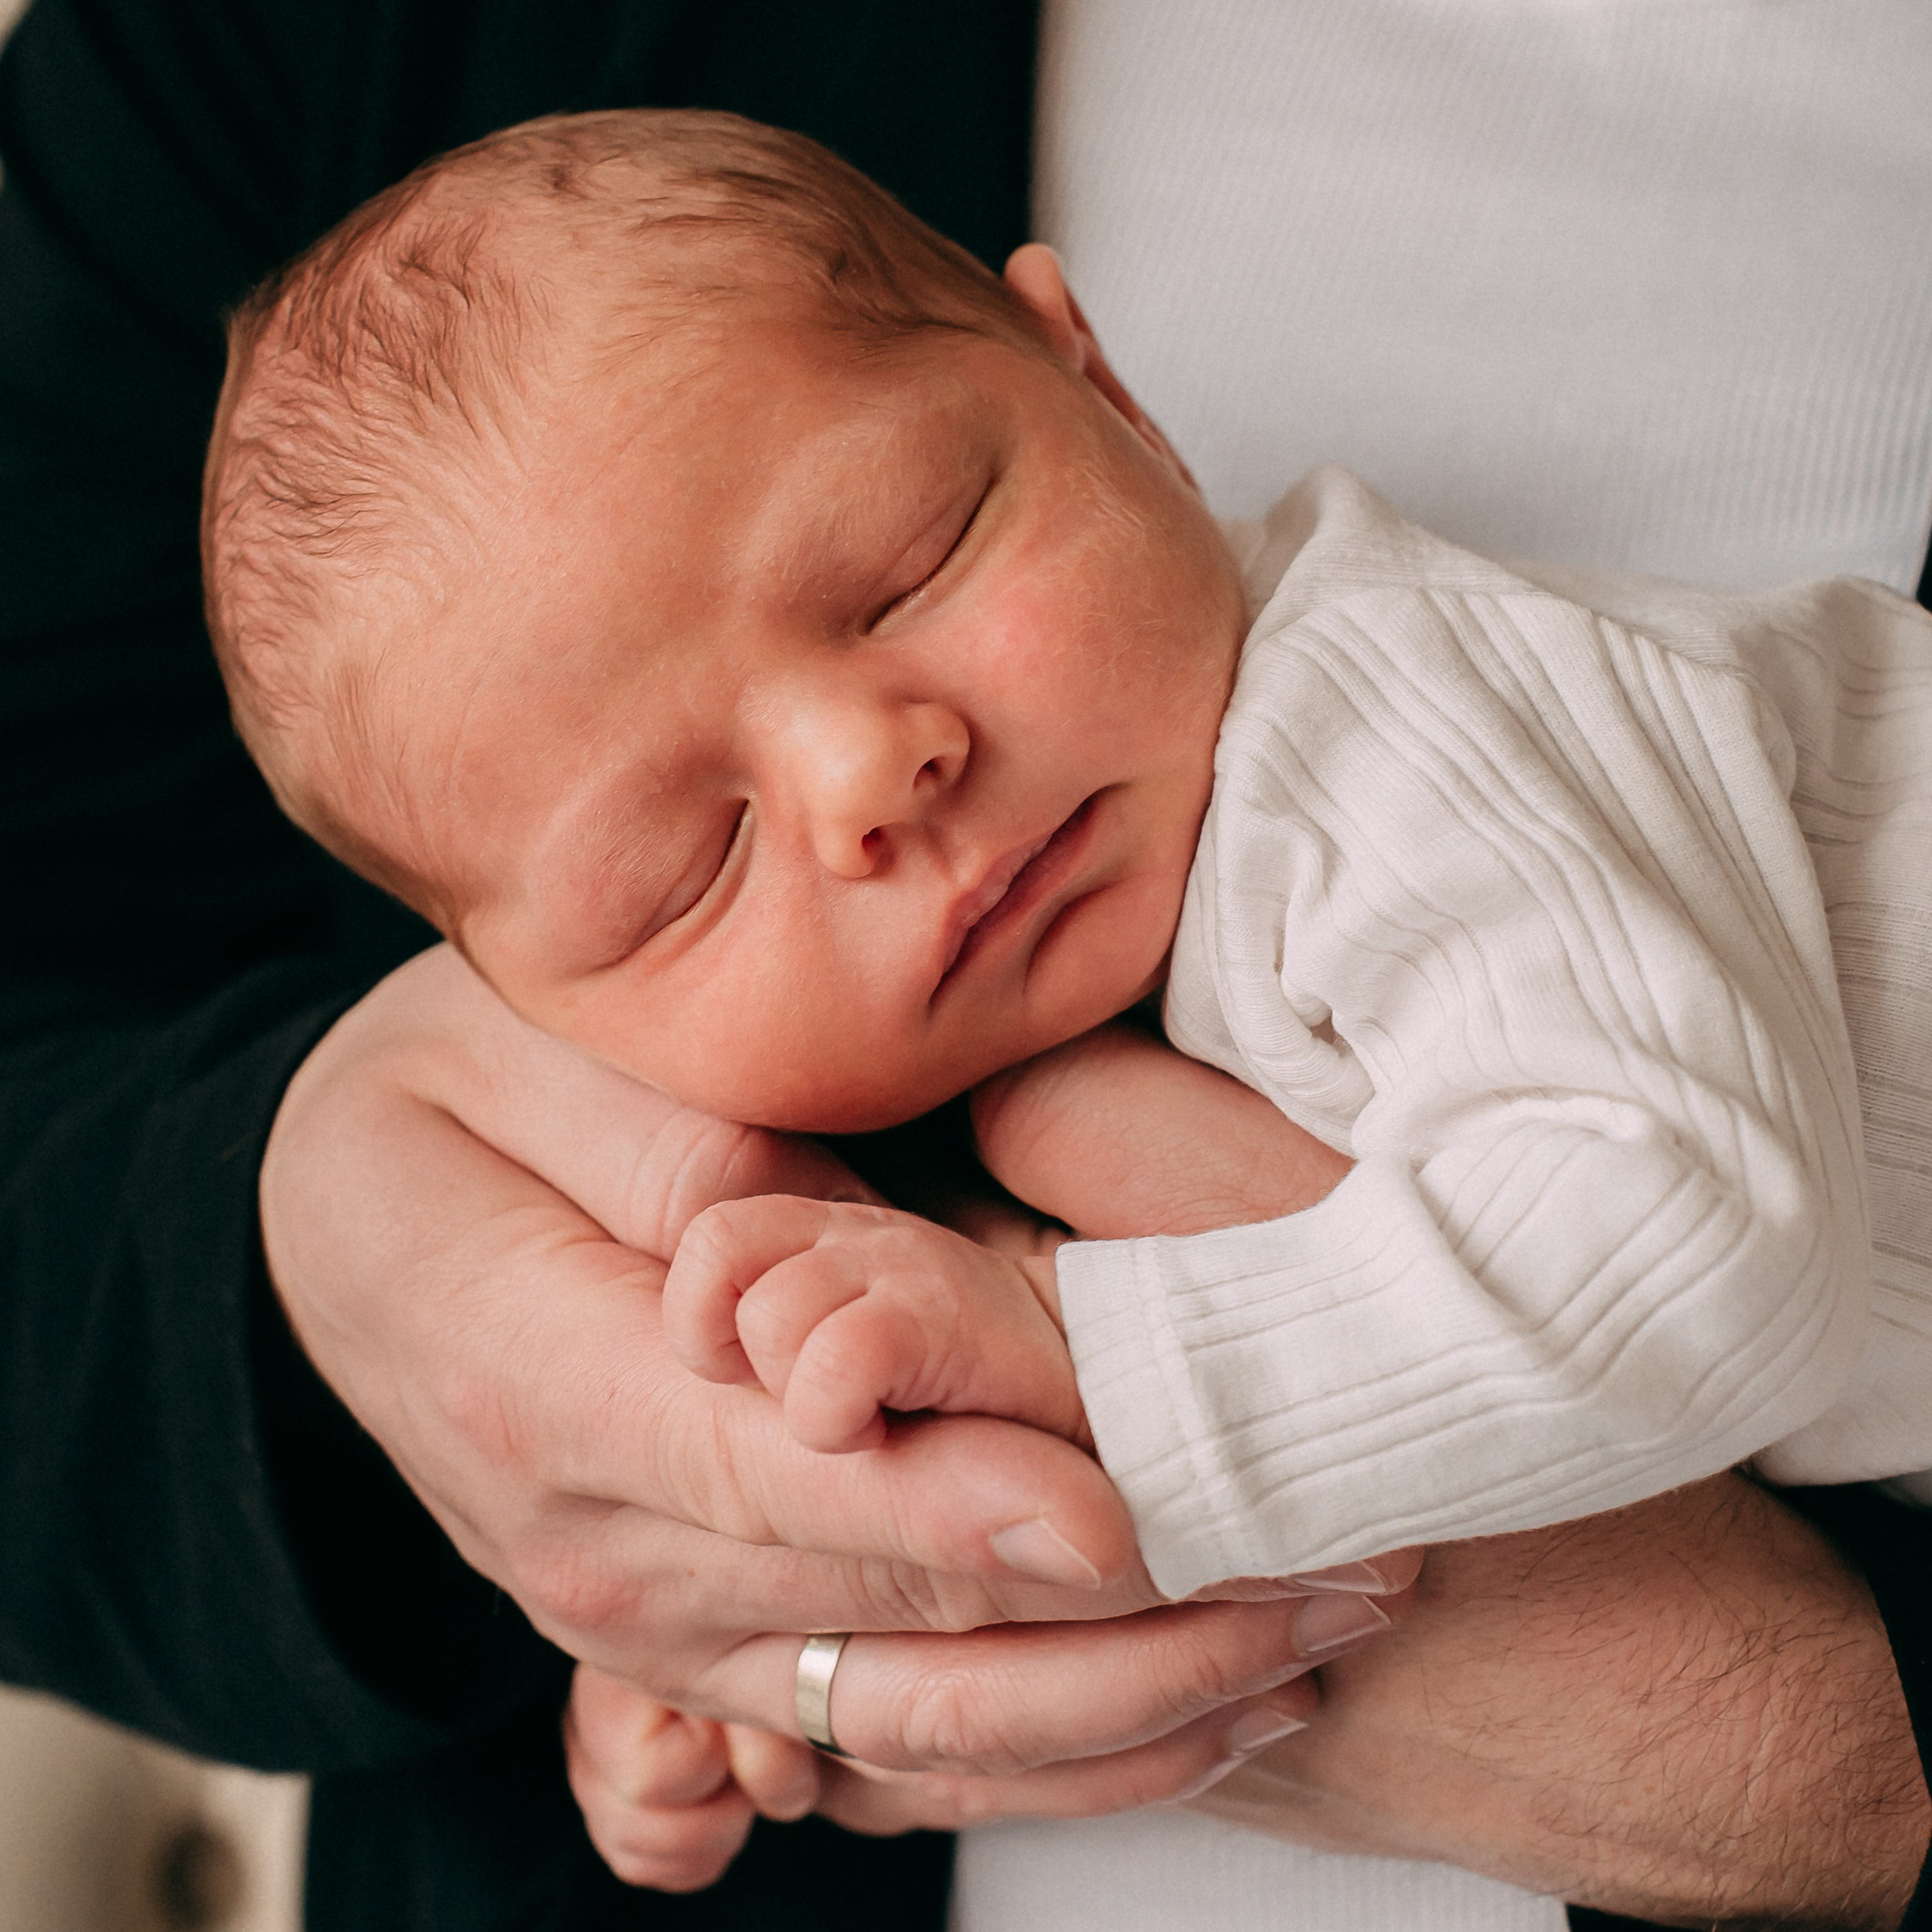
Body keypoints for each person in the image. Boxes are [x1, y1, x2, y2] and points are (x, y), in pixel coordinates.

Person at [2, 0, 1927, 1927]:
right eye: (686, 865)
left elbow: (1693, 1229)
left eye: (910, 559)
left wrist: (1103, 1396)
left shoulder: (1394, 728)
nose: (869, 770)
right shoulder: (1004, 1009)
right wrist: (735, 1584)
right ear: (527, 1010)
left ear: (1097, 379)